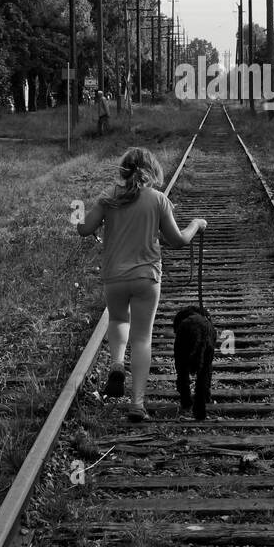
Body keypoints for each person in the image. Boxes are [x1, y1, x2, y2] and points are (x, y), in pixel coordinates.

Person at [76, 147, 207, 422]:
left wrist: (74, 207)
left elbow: (83, 229)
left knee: (118, 321)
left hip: (114, 276)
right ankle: (137, 404)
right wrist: (196, 224)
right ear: (153, 170)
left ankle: (116, 364)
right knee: (142, 337)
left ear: (123, 170)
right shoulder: (158, 200)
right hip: (146, 277)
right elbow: (178, 241)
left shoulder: (108, 197)